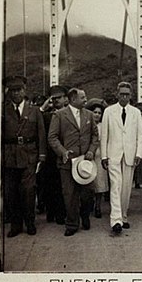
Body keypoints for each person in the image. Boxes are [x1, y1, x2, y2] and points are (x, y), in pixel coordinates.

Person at [48, 88, 99, 236]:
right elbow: (52, 137)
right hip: (67, 162)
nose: (85, 99)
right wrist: (63, 152)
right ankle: (71, 224)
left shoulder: (89, 115)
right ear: (73, 99)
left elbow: (95, 136)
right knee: (69, 195)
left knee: (88, 193)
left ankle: (85, 216)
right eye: (83, 97)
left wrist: (91, 150)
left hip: (85, 163)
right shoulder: (59, 115)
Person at [3, 75, 47, 237]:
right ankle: (16, 225)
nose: (16, 94)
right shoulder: (3, 110)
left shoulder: (34, 110)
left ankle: (30, 223)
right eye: (13, 90)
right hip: (9, 157)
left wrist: (42, 156)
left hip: (29, 155)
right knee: (11, 192)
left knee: (28, 191)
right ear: (9, 92)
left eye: (19, 90)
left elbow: (41, 134)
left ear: (24, 90)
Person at [101, 81, 142, 234]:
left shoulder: (136, 113)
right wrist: (104, 155)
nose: (124, 97)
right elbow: (104, 135)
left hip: (130, 154)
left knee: (126, 187)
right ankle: (116, 220)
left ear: (131, 95)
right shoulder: (109, 111)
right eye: (122, 94)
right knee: (115, 185)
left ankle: (124, 215)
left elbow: (140, 135)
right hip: (113, 154)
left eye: (127, 94)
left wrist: (138, 153)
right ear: (117, 95)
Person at [39, 85, 68, 224]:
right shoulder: (46, 115)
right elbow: (35, 121)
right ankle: (51, 213)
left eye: (59, 98)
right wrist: (44, 107)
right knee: (50, 184)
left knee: (63, 185)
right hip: (50, 155)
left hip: (65, 153)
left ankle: (61, 214)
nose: (56, 101)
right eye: (53, 98)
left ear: (65, 99)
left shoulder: (69, 114)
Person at [86, 101, 109, 219]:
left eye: (99, 113)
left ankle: (98, 206)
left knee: (100, 182)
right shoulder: (86, 124)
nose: (97, 115)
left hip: (99, 155)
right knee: (89, 180)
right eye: (95, 112)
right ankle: (88, 204)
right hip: (89, 155)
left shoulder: (103, 126)